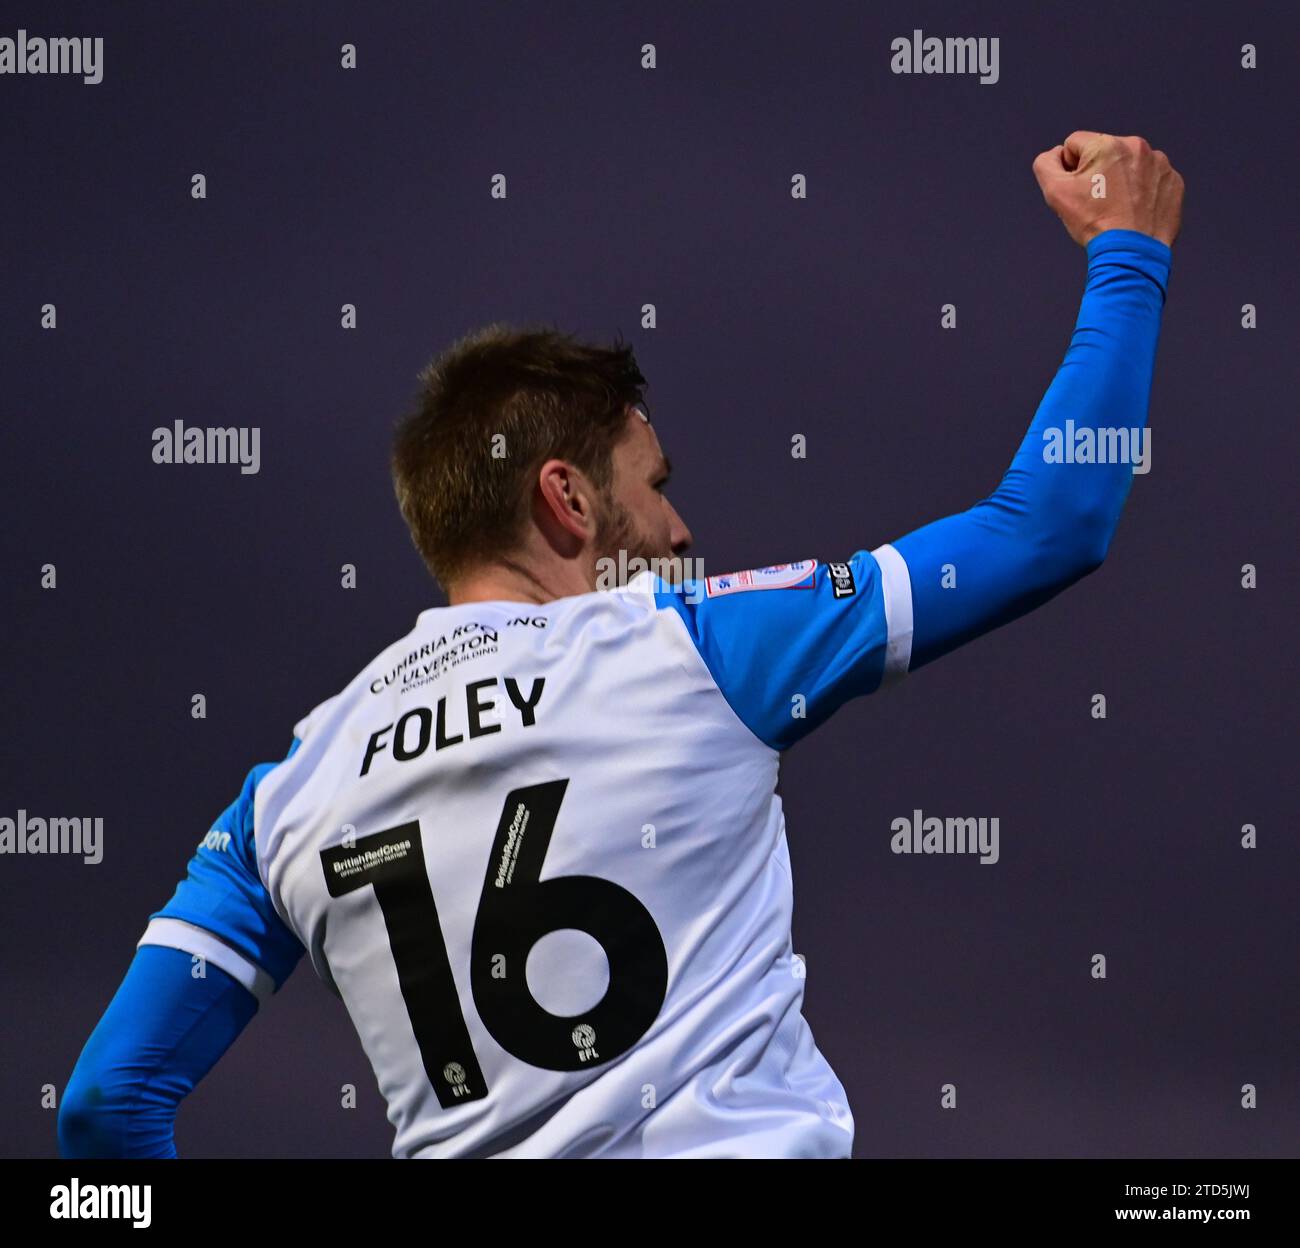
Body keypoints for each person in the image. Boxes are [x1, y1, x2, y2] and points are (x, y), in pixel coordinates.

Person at [58, 131, 1183, 1159]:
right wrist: (1126, 255)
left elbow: (109, 1101)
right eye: (654, 487)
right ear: (567, 499)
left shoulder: (284, 793)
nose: (683, 530)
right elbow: (1050, 525)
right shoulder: (687, 646)